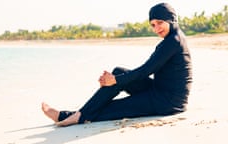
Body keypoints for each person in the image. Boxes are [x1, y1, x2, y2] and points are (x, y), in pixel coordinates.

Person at [42, 2, 192, 127]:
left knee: (116, 106)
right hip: (159, 91)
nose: (156, 28)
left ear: (171, 20)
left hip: (168, 102)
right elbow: (144, 71)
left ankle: (70, 116)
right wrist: (115, 79)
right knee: (118, 71)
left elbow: (146, 70)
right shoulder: (173, 39)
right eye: (153, 25)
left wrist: (115, 81)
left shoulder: (173, 42)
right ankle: (78, 114)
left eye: (160, 23)